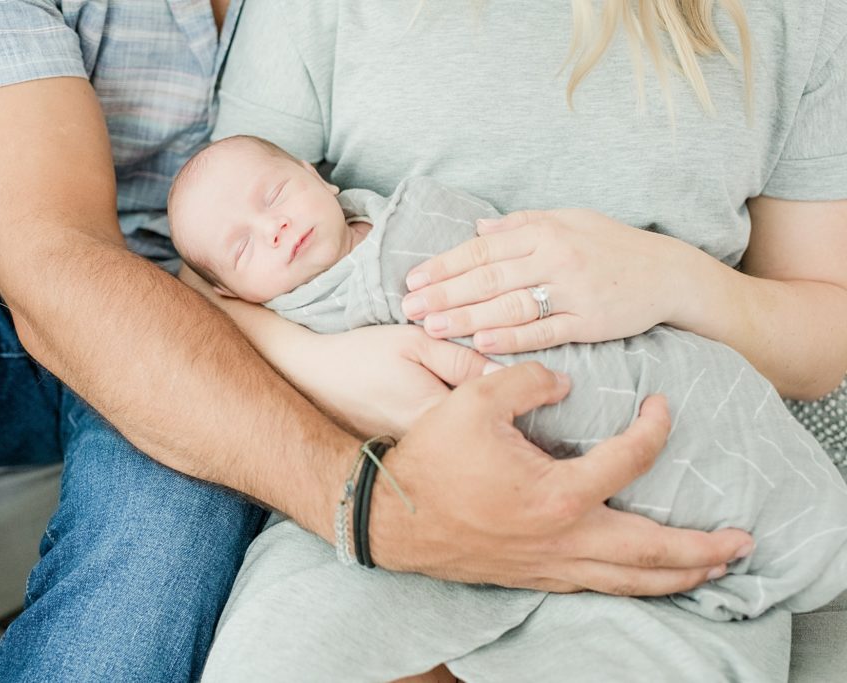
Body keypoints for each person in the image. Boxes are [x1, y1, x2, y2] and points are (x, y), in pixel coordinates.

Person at [0, 1, 749, 680]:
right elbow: (51, 258)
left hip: (287, 308)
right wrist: (376, 504)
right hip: (21, 268)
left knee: (150, 556)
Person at [184, 0, 847, 679]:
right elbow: (208, 272)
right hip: (397, 498)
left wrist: (677, 279)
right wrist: (330, 369)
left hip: (664, 505)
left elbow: (824, 340)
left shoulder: (796, 16)